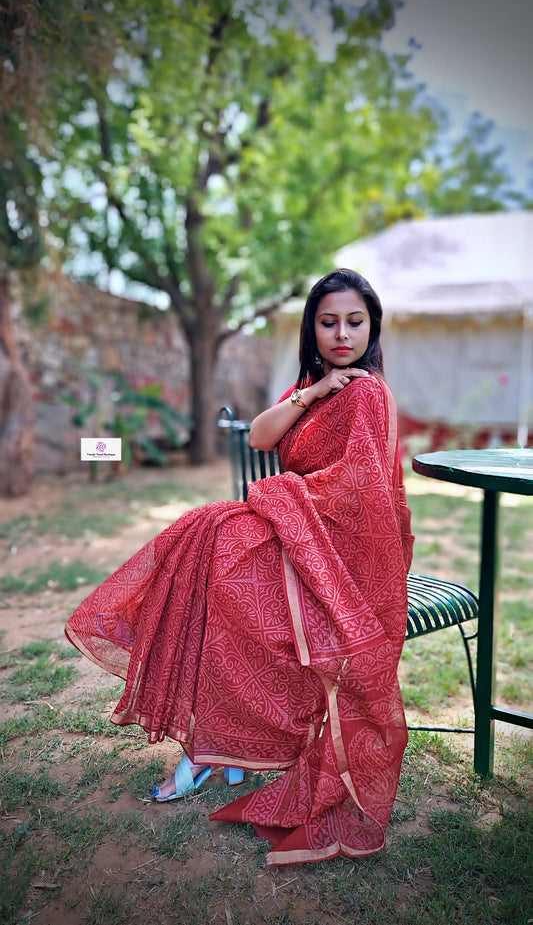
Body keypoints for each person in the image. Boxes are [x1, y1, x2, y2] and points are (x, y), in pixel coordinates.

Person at [65, 268, 414, 866]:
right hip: (298, 531)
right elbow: (259, 437)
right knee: (204, 546)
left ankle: (214, 749)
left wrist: (287, 499)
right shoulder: (319, 384)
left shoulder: (370, 393)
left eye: (355, 322)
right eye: (328, 322)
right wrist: (313, 391)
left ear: (372, 328)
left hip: (338, 546)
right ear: (312, 328)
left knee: (220, 557)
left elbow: (361, 489)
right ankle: (218, 746)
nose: (342, 334)